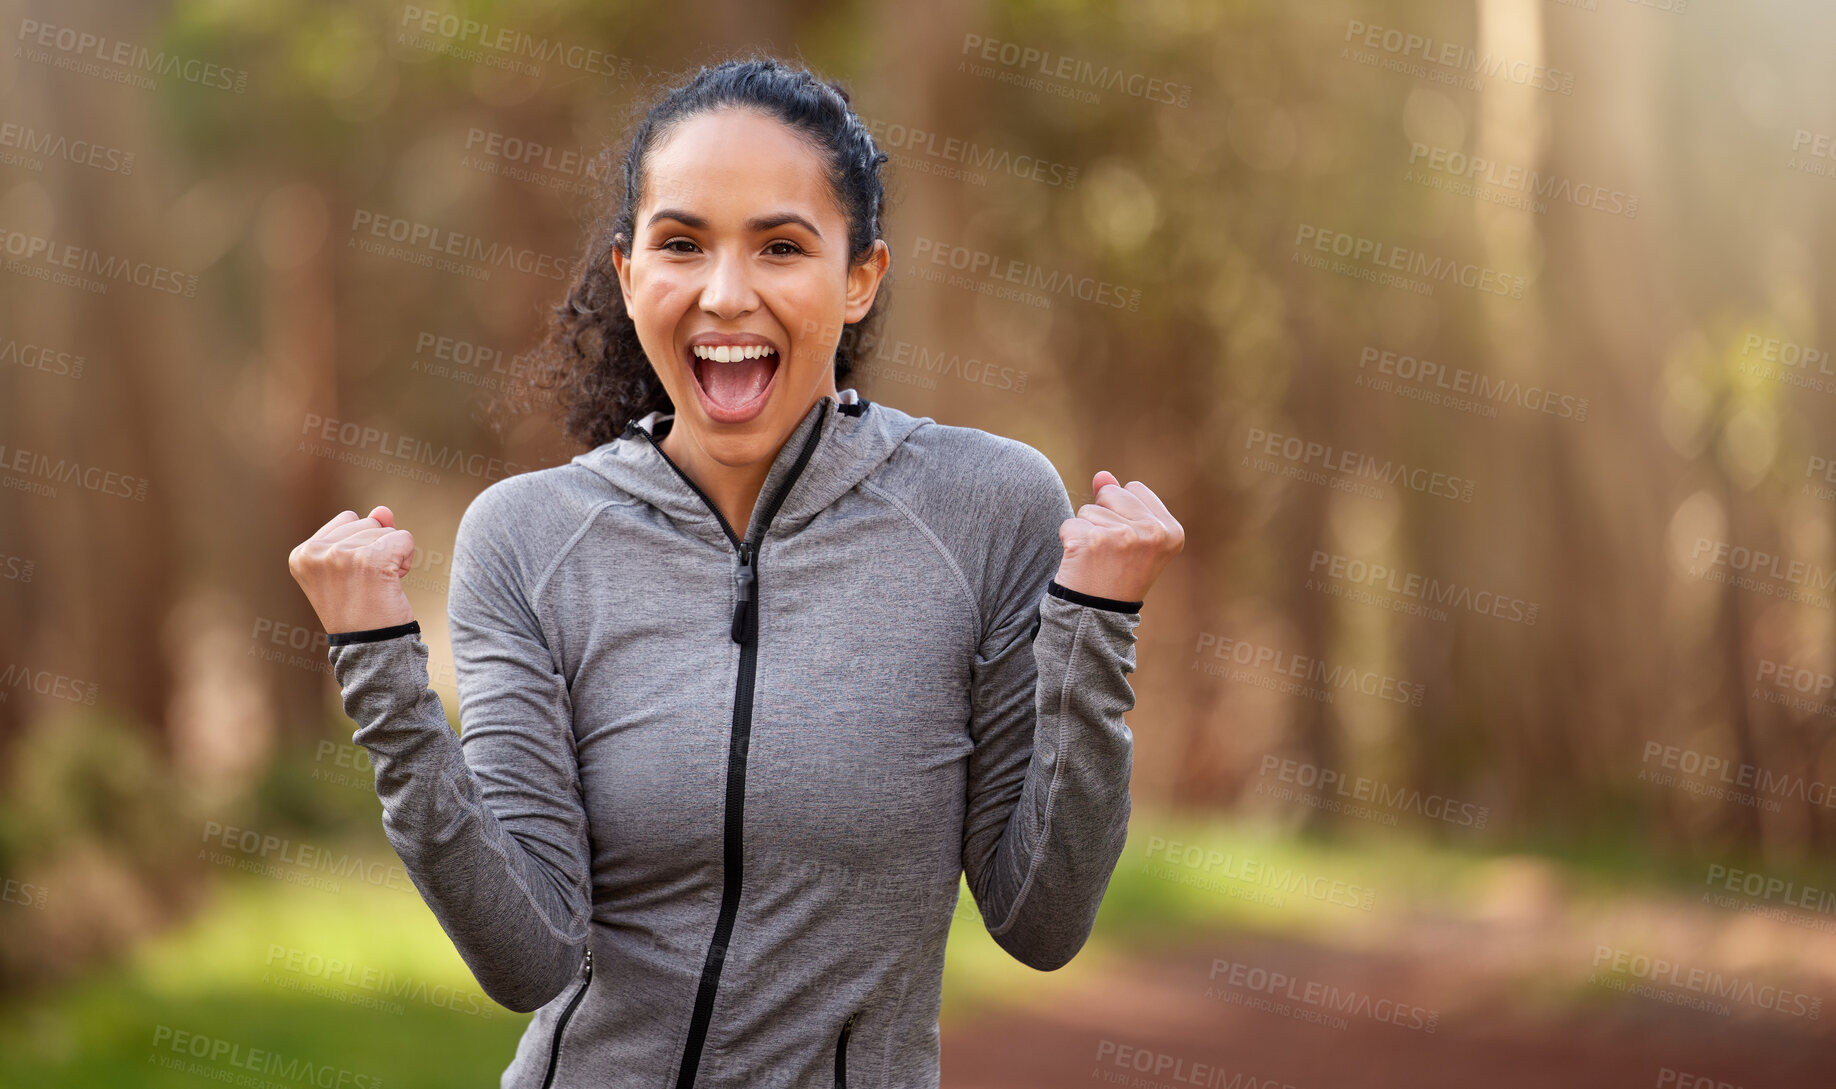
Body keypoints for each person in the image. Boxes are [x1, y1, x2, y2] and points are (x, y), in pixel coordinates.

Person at [288, 55, 1182, 1089]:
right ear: (629, 279)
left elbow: (1042, 918)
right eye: (682, 244)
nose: (725, 293)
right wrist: (379, 666)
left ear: (861, 279)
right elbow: (525, 956)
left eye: (781, 246)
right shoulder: (527, 539)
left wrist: (1095, 623)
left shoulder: (985, 507)